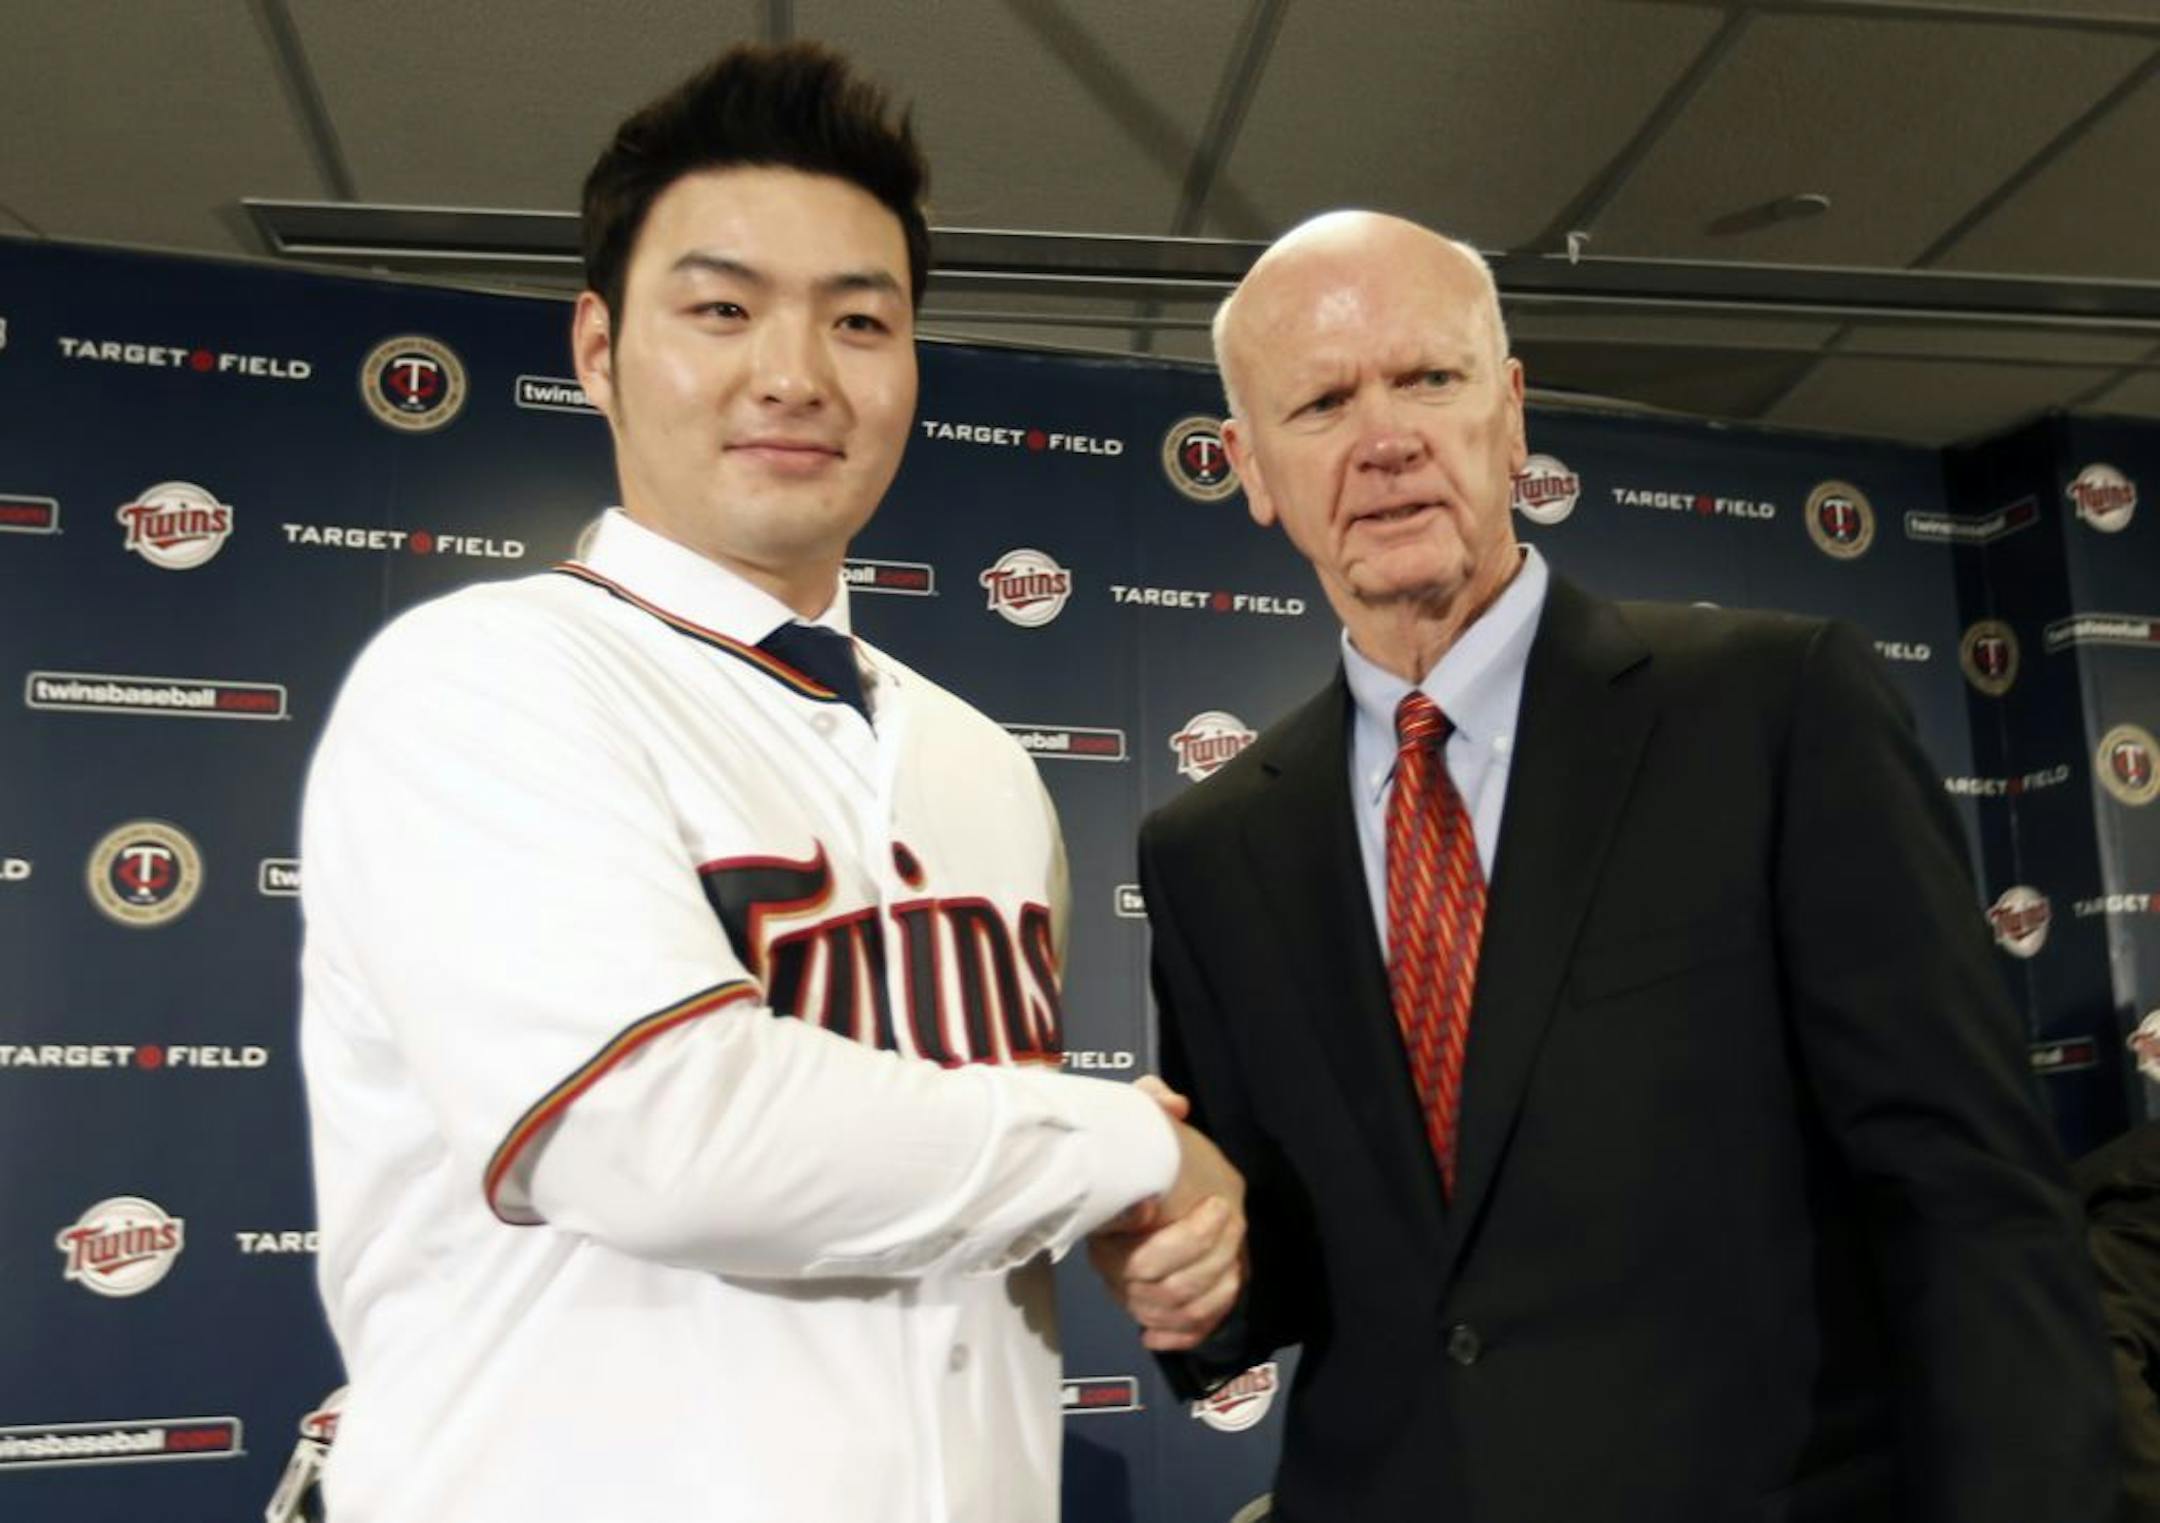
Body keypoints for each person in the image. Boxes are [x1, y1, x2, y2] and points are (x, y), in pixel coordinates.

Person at [298, 43, 1237, 1523]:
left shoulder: (982, 767)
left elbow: (934, 1170)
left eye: (860, 319)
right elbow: (660, 1138)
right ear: (599, 348)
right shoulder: (482, 681)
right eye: (721, 309)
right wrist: (1120, 1143)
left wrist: (1113, 1212)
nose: (794, 374)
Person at [1092, 209, 2116, 1521]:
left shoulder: (1774, 709)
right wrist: (1201, 1268)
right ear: (1251, 467)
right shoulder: (1209, 848)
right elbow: (1297, 1255)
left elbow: (1972, 1199)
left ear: (1510, 415)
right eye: (1323, 401)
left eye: (1429, 378)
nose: (1386, 437)